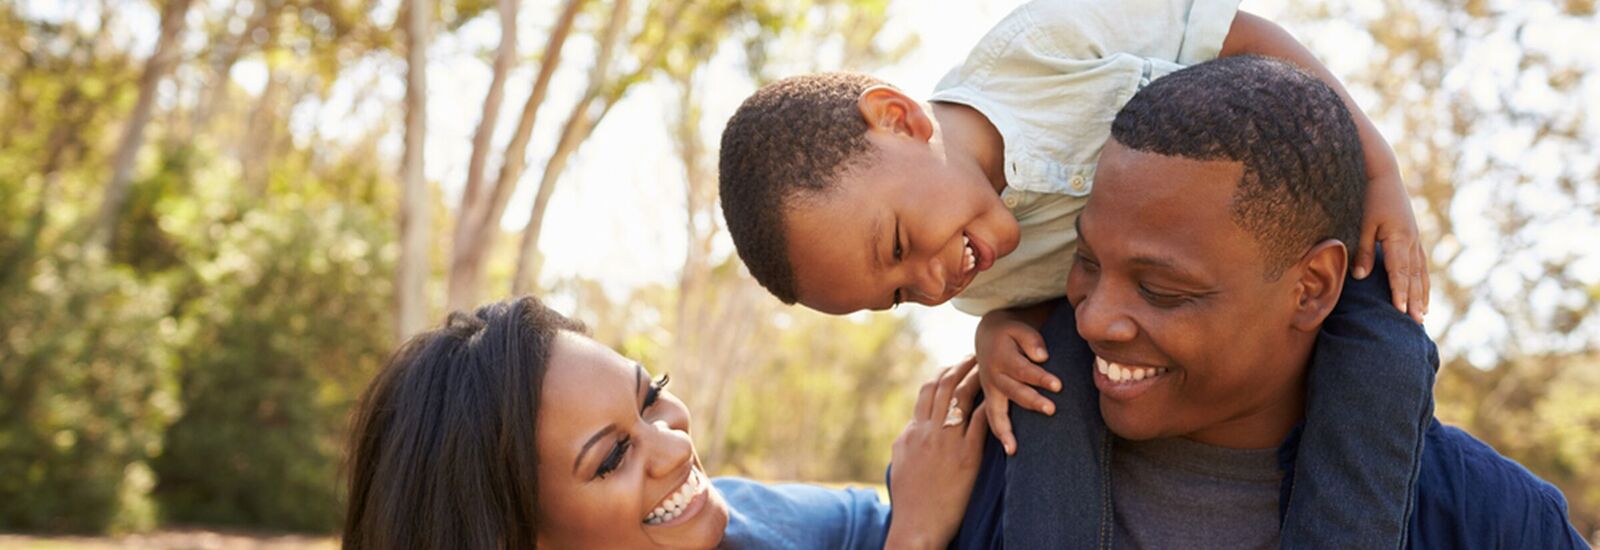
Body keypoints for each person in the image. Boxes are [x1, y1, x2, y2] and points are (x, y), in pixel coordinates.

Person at [718, 0, 1432, 546]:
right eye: (901, 294)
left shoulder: (1042, 49)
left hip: (1283, 247)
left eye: (901, 243)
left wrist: (1378, 170)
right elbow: (1047, 304)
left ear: (898, 118)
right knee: (1044, 386)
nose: (933, 285)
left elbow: (1237, 34)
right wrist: (996, 332)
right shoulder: (978, 274)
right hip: (1152, 335)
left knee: (1388, 357)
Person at [948, 55, 1587, 549]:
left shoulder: (1492, 521)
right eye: (1087, 261)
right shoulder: (975, 463)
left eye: (1161, 290)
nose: (1092, 318)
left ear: (1312, 287)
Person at [341, 295, 990, 550]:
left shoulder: (734, 525)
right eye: (611, 458)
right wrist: (918, 538)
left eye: (651, 396)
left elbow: (864, 523)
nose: (676, 446)